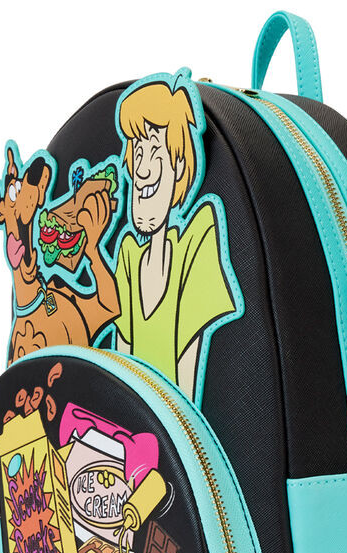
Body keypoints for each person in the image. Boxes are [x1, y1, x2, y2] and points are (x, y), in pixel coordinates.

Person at [114, 76, 238, 402]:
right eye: (138, 150)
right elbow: (120, 381)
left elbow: (187, 401)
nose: (142, 170)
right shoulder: (128, 256)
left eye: (155, 150)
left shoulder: (195, 248)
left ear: (180, 166)